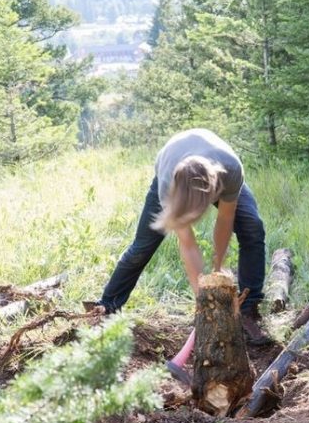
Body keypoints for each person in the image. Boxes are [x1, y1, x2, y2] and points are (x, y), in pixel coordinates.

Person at [91, 128, 269, 343]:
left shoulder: (230, 170)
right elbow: (188, 244)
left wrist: (217, 269)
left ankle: (248, 309)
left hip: (219, 172)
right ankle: (106, 307)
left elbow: (225, 221)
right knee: (143, 246)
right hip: (170, 166)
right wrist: (203, 298)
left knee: (252, 227)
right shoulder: (168, 186)